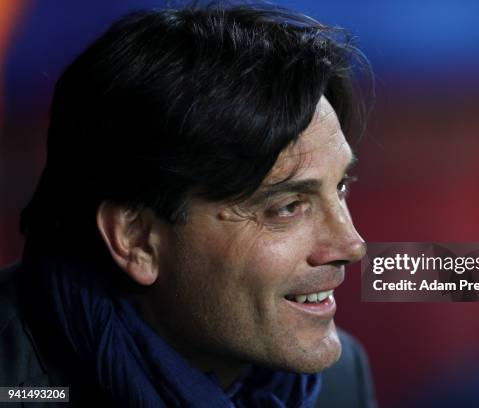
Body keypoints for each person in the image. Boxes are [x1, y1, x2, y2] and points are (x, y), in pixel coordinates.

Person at [0, 2, 376, 407]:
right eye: (287, 206)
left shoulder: (339, 377)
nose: (352, 245)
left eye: (340, 187)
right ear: (137, 239)